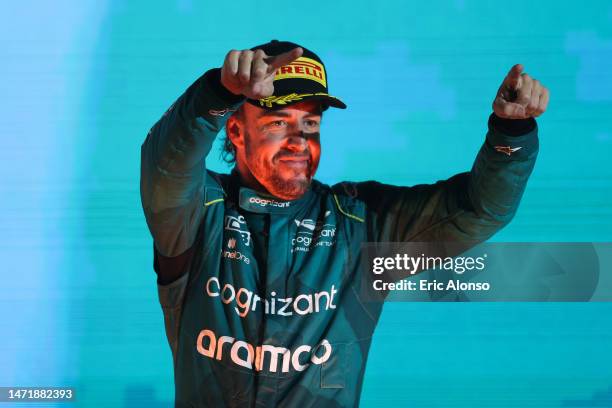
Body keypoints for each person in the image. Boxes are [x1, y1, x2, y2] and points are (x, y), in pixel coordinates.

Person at [140, 39, 549, 407]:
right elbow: (165, 165)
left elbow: (479, 211)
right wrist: (216, 93)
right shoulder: (198, 210)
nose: (299, 140)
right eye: (278, 122)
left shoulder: (361, 223)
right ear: (235, 131)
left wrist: (511, 133)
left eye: (311, 123)